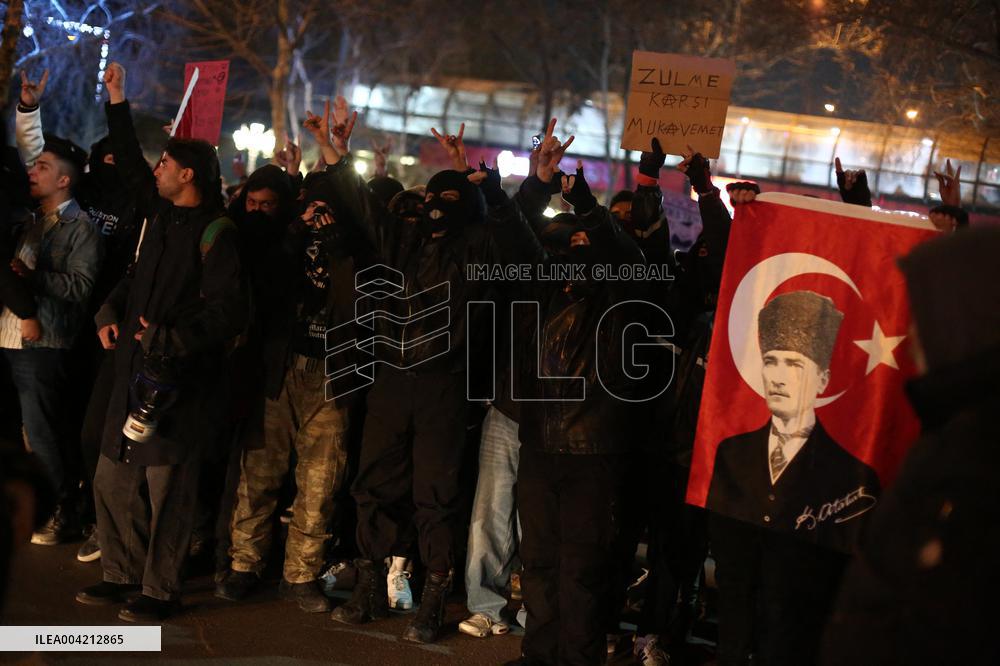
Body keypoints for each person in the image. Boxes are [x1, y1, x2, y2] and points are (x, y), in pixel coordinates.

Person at [75, 62, 246, 622]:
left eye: (167, 163)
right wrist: (110, 311)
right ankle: (120, 574)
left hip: (176, 385)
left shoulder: (217, 233)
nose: (156, 169)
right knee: (111, 477)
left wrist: (167, 337)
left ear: (190, 175)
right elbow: (127, 170)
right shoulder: (158, 216)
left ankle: (160, 589)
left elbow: (227, 313)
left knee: (167, 491)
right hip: (130, 374)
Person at [820, 226, 1000, 666]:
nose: (913, 331)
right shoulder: (956, 433)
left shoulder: (971, 459)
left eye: (924, 313)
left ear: (960, 321)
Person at [218, 169, 368, 614]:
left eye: (329, 205)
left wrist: (338, 238)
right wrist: (299, 229)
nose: (320, 213)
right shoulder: (282, 238)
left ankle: (301, 575)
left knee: (321, 481)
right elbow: (265, 280)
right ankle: (244, 565)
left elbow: (359, 288)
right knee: (259, 472)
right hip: (279, 368)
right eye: (314, 205)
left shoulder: (357, 242)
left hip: (331, 373)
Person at [706, 289, 881, 665]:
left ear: (823, 378)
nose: (779, 377)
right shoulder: (731, 452)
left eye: (795, 364)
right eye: (772, 361)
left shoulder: (850, 472)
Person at [0, 110, 103, 546]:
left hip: (44, 342)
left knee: (42, 431)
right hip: (8, 334)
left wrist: (31, 276)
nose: (33, 172)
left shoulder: (82, 229)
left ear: (64, 180)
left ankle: (62, 512)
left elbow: (80, 288)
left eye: (42, 167)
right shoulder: (26, 219)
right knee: (20, 430)